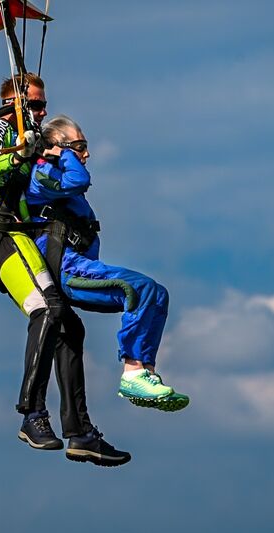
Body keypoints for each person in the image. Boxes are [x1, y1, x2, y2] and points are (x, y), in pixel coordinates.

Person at [0, 74, 130, 467]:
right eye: (34, 106)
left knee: (69, 327)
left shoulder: (32, 138)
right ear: (12, 103)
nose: (41, 113)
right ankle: (32, 414)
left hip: (15, 233)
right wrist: (20, 153)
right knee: (48, 310)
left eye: (43, 106)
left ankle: (81, 434)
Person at [25, 114, 189, 412]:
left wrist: (65, 152)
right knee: (137, 288)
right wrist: (61, 154)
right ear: (55, 146)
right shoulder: (41, 175)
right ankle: (132, 372)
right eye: (80, 145)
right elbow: (78, 180)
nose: (86, 154)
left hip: (80, 265)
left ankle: (145, 373)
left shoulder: (54, 172)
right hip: (68, 268)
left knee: (157, 294)